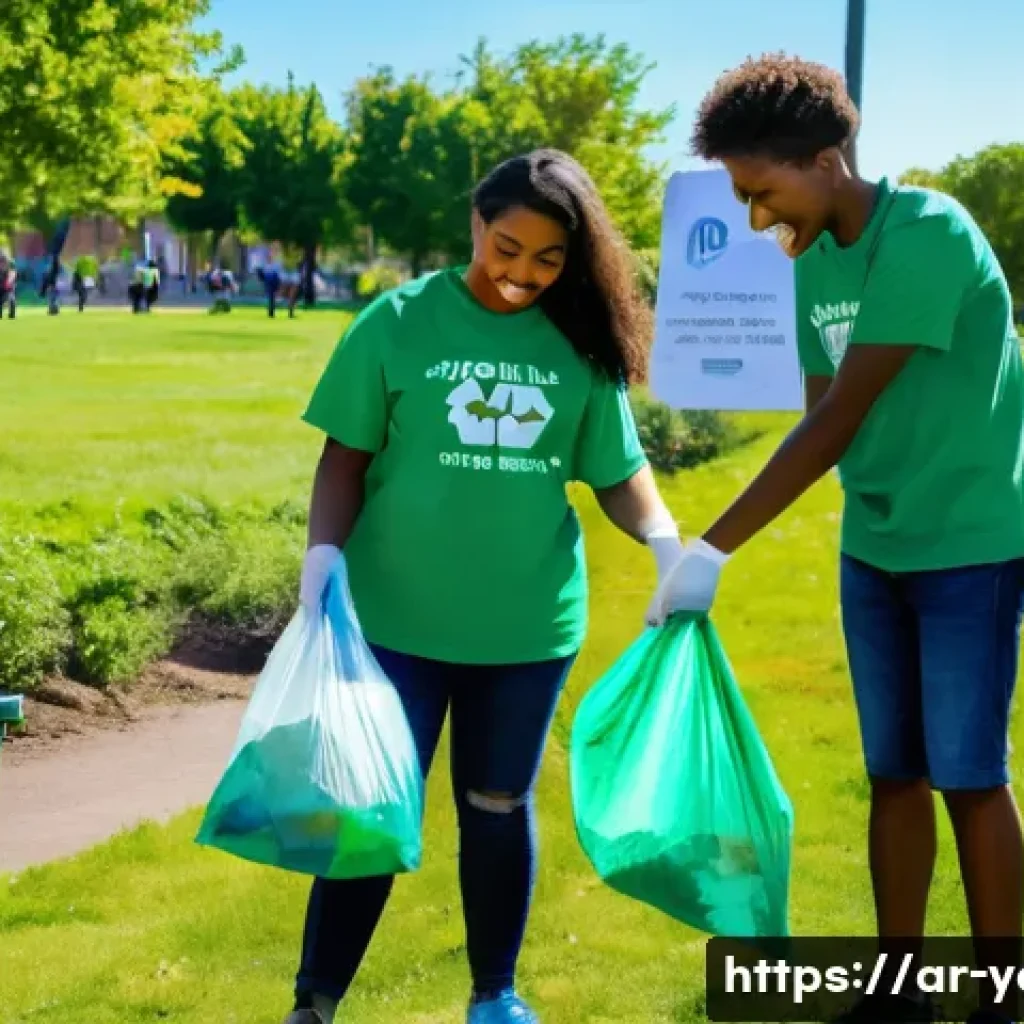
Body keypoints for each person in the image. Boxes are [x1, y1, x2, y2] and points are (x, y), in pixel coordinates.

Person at [654, 53, 1024, 1024]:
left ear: (825, 160)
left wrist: (711, 546)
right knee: (892, 773)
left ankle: (998, 1004)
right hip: (877, 548)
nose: (752, 218)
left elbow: (838, 418)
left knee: (970, 777)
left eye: (760, 191)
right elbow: (815, 419)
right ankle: (896, 995)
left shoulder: (928, 234)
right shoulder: (811, 256)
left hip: (969, 545)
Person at [285, 148, 690, 1024]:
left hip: (524, 631)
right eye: (508, 247)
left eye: (549, 260)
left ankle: (494, 997)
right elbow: (344, 458)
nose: (523, 275)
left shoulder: (577, 344)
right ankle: (315, 1002)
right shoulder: (396, 322)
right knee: (370, 809)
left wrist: (662, 538)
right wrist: (323, 555)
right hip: (396, 620)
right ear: (477, 223)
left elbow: (617, 471)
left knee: (497, 806)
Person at [0, 252, 16, 319]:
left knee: (11, 299)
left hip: (7, 289)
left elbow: (12, 274)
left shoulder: (10, 267)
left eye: (3, 262)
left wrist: (9, 282)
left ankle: (11, 315)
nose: (2, 264)